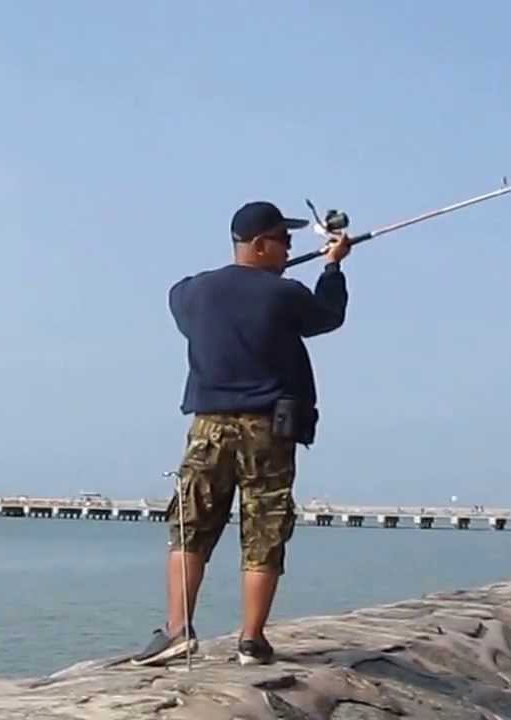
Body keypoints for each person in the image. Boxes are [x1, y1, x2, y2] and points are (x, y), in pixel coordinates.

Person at [129, 200, 352, 668]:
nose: (290, 246)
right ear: (260, 244)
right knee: (264, 531)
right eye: (283, 240)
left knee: (190, 526)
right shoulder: (285, 295)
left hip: (207, 427)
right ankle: (251, 641)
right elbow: (328, 317)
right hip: (268, 429)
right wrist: (331, 267)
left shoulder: (188, 294)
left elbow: (188, 299)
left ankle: (176, 631)